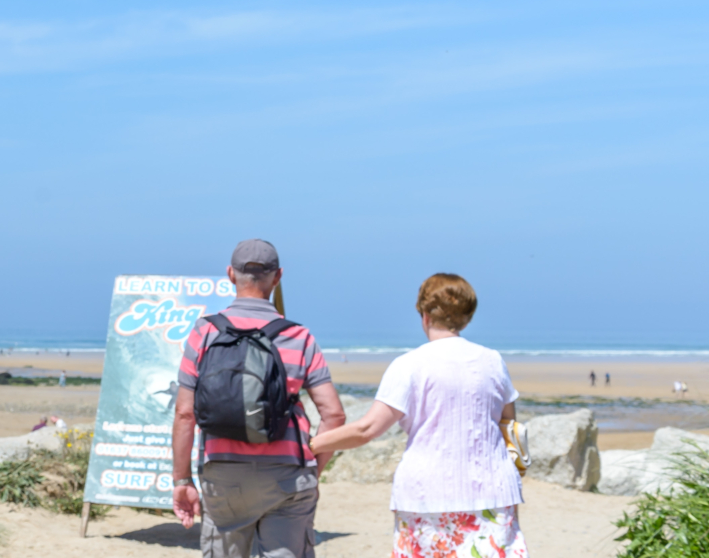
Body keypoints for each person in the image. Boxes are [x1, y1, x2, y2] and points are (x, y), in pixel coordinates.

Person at [310, 273, 527, 558]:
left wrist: (311, 446)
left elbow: (368, 429)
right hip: (493, 490)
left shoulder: (409, 365)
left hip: (427, 493)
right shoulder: (493, 361)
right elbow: (508, 423)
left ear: (425, 315)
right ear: (467, 317)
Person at [171, 239, 345, 558]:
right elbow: (334, 415)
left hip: (222, 473)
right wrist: (310, 467)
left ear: (230, 275)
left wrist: (182, 480)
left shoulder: (204, 332)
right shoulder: (298, 336)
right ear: (277, 277)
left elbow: (185, 414)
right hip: (288, 474)